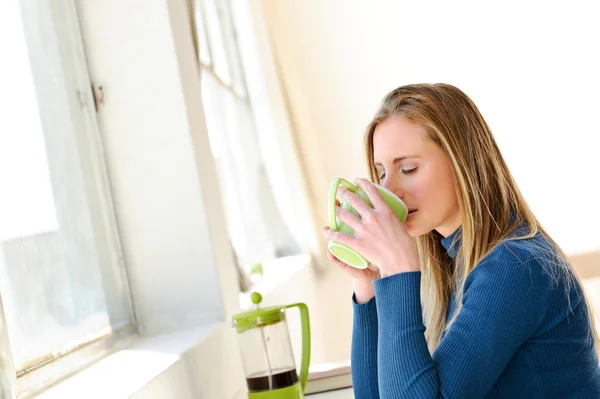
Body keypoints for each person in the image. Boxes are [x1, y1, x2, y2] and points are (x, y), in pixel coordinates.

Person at [323, 83, 600, 398]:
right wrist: (370, 287)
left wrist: (399, 270)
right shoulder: (457, 263)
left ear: (462, 161)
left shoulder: (515, 266)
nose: (390, 190)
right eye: (382, 173)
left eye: (408, 168)